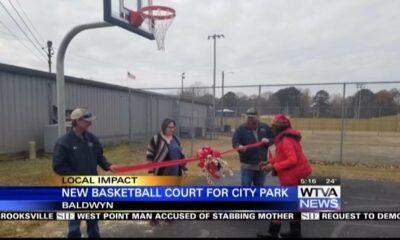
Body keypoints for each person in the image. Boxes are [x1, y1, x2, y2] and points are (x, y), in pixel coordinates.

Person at [53, 107, 118, 238]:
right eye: (87, 121)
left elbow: (99, 156)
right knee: (74, 221)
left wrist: (108, 165)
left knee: (93, 219)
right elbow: (58, 166)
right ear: (77, 121)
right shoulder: (64, 142)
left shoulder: (92, 139)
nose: (90, 123)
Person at [257, 114, 312, 238]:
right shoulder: (286, 137)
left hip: (292, 175)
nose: (272, 128)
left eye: (274, 125)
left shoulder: (286, 139)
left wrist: (273, 167)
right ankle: (295, 231)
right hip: (297, 173)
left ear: (280, 126)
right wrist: (269, 162)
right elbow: (283, 156)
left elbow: (292, 159)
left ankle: (273, 233)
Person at [146, 118, 188, 226]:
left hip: (175, 172)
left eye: (173, 127)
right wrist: (151, 171)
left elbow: (181, 155)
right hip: (160, 173)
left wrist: (184, 168)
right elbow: (150, 154)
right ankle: (154, 217)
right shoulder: (156, 138)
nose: (172, 129)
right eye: (170, 127)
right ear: (164, 126)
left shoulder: (176, 139)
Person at [232, 108, 274, 186]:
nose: (250, 120)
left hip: (261, 165)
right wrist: (239, 147)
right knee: (246, 191)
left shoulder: (265, 127)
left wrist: (268, 141)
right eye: (248, 118)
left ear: (257, 117)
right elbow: (235, 142)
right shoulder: (241, 129)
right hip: (247, 165)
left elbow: (274, 138)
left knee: (259, 191)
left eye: (252, 118)